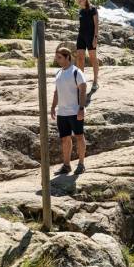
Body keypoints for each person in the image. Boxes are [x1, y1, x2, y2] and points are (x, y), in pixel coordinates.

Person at [50, 46, 87, 175]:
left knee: (79, 136)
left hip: (75, 110)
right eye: (56, 57)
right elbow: (56, 91)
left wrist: (81, 108)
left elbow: (83, 90)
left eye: (59, 57)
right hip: (62, 112)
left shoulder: (76, 72)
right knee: (65, 139)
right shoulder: (59, 73)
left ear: (67, 57)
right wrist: (53, 106)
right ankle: (66, 165)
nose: (57, 60)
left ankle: (81, 164)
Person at [75, 0, 99, 91]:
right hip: (81, 36)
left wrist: (95, 38)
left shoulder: (93, 9)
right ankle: (81, 81)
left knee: (93, 58)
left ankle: (95, 81)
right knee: (80, 58)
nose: (81, 1)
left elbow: (96, 24)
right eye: (79, 0)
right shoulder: (80, 11)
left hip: (90, 36)